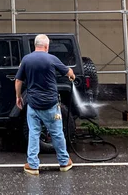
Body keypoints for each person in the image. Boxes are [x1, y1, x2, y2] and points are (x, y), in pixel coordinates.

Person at [15, 34, 75, 175]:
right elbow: (69, 72)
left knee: (34, 133)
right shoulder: (52, 59)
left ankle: (33, 165)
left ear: (35, 45)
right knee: (57, 133)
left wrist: (18, 97)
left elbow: (18, 81)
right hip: (51, 105)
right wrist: (72, 76)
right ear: (47, 46)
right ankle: (64, 162)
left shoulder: (26, 60)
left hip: (33, 104)